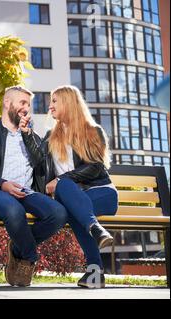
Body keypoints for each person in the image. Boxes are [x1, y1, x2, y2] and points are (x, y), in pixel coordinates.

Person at [0, 85, 68, 287]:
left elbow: (41, 164)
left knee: (58, 213)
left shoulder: (32, 136)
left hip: (26, 192)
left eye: (28, 105)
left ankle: (17, 249)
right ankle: (29, 259)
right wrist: (3, 184)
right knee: (14, 210)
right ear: (7, 103)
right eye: (22, 103)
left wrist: (27, 135)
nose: (26, 108)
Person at [19, 85, 118, 288]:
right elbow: (39, 161)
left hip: (102, 193)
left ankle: (95, 268)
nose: (50, 105)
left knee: (67, 191)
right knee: (72, 208)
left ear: (69, 103)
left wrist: (62, 180)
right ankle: (95, 235)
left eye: (55, 101)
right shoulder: (51, 135)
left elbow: (96, 167)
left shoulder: (93, 131)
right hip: (74, 198)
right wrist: (28, 134)